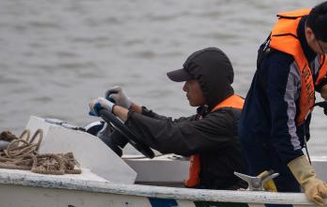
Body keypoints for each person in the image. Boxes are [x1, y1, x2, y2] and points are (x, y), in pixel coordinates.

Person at [238, 2, 327, 205]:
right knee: (282, 197)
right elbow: (283, 127)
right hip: (264, 138)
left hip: (287, 134)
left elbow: (325, 60)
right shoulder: (282, 65)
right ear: (309, 34)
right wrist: (308, 179)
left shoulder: (319, 24)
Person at [88, 46, 245, 190]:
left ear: (208, 83)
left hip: (230, 201)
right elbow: (172, 125)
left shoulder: (227, 119)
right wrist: (129, 106)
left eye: (189, 81)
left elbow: (171, 137)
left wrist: (114, 109)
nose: (184, 88)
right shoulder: (218, 110)